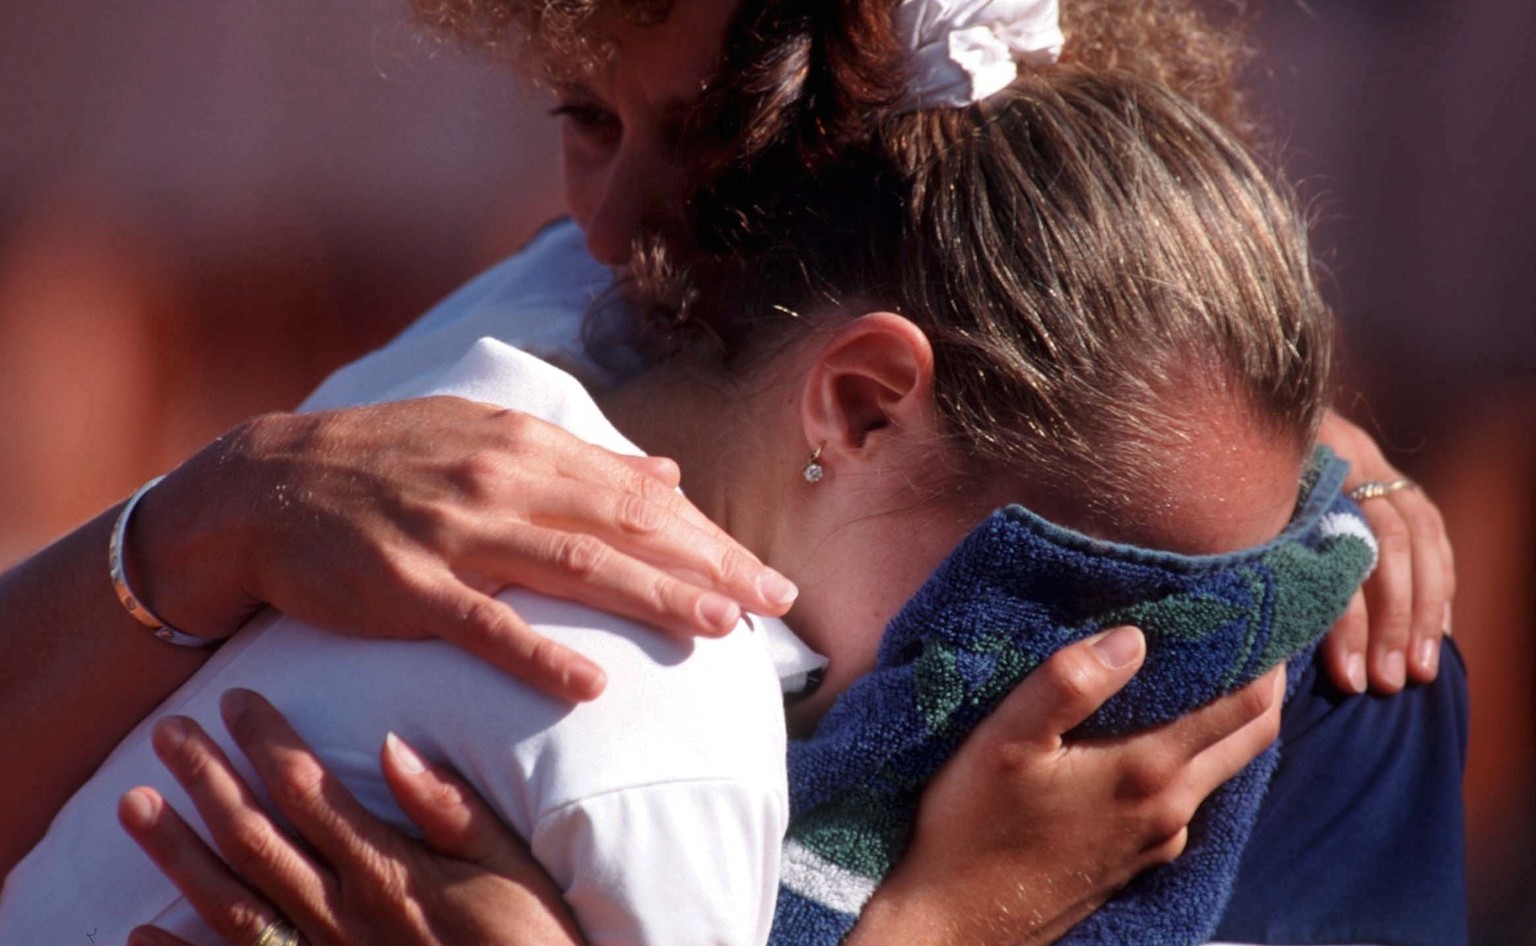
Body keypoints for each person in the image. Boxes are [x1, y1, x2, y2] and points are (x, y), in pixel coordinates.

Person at [2, 62, 1355, 946]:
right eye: (1058, 599)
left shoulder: (501, 347)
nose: (1105, 703)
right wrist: (947, 921)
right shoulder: (673, 742)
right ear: (864, 403)